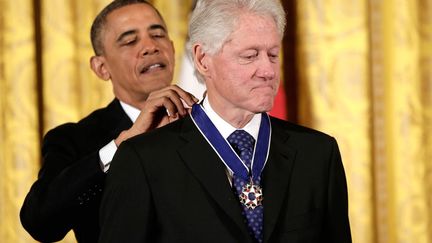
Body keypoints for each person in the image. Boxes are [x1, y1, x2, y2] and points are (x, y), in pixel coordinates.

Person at [98, 0, 352, 242]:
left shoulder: (318, 153)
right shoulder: (143, 159)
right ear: (203, 59)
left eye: (273, 55)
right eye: (250, 56)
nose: (268, 71)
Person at [20, 0, 197, 242]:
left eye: (157, 34)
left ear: (174, 49)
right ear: (102, 68)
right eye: (129, 41)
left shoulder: (207, 124)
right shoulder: (75, 140)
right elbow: (40, 222)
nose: (150, 46)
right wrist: (120, 146)